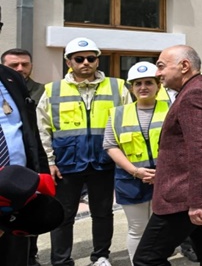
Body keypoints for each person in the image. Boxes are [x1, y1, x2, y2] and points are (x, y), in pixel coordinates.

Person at [133, 45, 202, 266]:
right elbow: (185, 149)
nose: (158, 73)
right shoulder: (198, 89)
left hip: (186, 196)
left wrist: (197, 201)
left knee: (147, 259)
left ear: (184, 66)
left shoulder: (194, 94)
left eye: (161, 66)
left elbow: (201, 149)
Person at [37, 37, 131, 266]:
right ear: (69, 62)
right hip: (67, 164)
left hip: (104, 162)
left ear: (98, 61)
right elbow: (43, 128)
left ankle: (100, 257)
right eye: (79, 59)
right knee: (63, 216)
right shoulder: (53, 90)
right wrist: (49, 160)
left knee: (102, 213)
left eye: (91, 58)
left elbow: (129, 121)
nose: (86, 62)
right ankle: (61, 261)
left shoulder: (117, 87)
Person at [102, 62, 168, 263]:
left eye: (149, 82)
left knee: (161, 228)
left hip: (165, 177)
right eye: (138, 83)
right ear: (131, 88)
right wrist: (135, 171)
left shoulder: (172, 109)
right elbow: (110, 145)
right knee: (137, 228)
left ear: (158, 85)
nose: (143, 87)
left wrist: (163, 172)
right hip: (130, 179)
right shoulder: (117, 113)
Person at [0, 6, 50, 266]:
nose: (21, 68)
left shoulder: (10, 79)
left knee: (17, 257)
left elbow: (30, 135)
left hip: (17, 194)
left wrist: (42, 177)